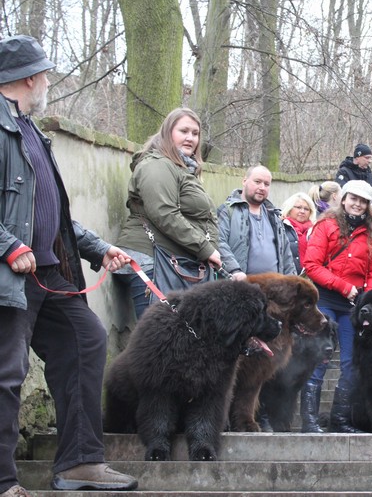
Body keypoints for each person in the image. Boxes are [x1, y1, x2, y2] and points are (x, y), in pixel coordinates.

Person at [0, 34, 137, 496]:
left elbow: (51, 214)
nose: (48, 84)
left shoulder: (31, 131)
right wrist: (7, 246)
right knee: (7, 373)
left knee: (86, 337)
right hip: (9, 277)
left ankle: (79, 462)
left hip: (46, 273)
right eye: (45, 76)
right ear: (30, 78)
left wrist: (98, 248)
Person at [114, 108, 222, 319]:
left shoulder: (182, 168)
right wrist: (205, 248)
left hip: (173, 261)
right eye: (183, 131)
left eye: (195, 133)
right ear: (167, 133)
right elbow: (164, 213)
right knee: (159, 340)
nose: (190, 138)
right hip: (152, 260)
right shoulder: (157, 165)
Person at [304, 180, 372, 432]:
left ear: (369, 205)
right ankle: (309, 420)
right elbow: (312, 265)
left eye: (363, 201)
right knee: (320, 356)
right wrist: (342, 286)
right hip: (325, 301)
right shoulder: (325, 225)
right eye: (353, 199)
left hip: (353, 306)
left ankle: (339, 419)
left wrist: (367, 297)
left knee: (352, 362)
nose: (357, 204)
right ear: (344, 198)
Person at [216, 165, 297, 281]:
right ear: (244, 181)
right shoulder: (227, 211)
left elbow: (286, 255)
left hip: (273, 290)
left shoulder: (274, 216)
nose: (262, 187)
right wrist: (234, 271)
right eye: (257, 182)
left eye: (266, 184)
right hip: (238, 288)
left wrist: (292, 283)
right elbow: (219, 243)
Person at [334, 143, 372, 214]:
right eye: (367, 158)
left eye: (370, 158)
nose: (370, 161)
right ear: (357, 158)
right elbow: (342, 194)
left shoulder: (370, 175)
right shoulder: (344, 172)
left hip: (368, 216)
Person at [281, 192, 317, 273]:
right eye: (298, 207)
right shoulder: (281, 227)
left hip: (310, 278)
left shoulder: (315, 230)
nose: (302, 211)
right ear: (290, 209)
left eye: (306, 209)